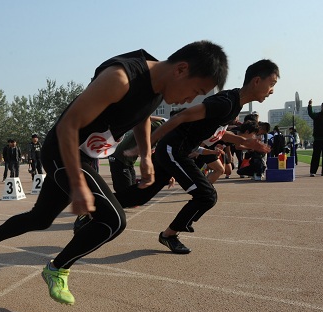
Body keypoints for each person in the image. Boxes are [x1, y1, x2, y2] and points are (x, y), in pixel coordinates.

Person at [0, 41, 229, 305]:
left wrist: (146, 156)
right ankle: (57, 269)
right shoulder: (120, 78)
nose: (191, 100)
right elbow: (68, 125)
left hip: (86, 154)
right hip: (62, 149)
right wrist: (78, 184)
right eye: (196, 91)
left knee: (41, 218)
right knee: (113, 220)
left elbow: (142, 116)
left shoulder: (160, 85)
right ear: (181, 70)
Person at [117, 59, 278, 254]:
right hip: (173, 150)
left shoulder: (234, 104)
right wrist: (145, 147)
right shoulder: (225, 102)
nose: (272, 91)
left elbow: (218, 133)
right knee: (206, 196)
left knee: (142, 195)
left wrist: (245, 142)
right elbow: (180, 117)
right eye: (272, 84)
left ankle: (95, 208)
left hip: (177, 151)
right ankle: (169, 235)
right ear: (257, 81)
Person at [308, 99, 323, 176]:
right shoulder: (317, 116)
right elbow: (311, 113)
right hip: (318, 139)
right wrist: (310, 106)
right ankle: (313, 171)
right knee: (315, 156)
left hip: (318, 139)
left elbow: (311, 113)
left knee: (315, 156)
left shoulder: (317, 116)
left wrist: (310, 105)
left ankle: (313, 171)